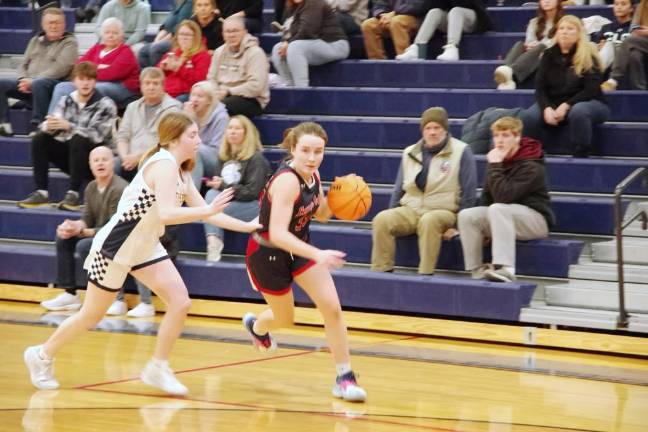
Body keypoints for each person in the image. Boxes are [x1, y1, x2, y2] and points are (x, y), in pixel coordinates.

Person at [24, 111, 261, 395]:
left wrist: (247, 226)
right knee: (91, 315)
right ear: (174, 138)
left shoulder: (182, 170)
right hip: (116, 246)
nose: (198, 139)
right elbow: (167, 212)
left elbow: (208, 215)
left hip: (145, 245)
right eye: (192, 135)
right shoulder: (162, 165)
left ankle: (158, 367)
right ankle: (41, 354)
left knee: (180, 302)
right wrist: (206, 210)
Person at [243, 121, 367, 402]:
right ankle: (257, 327)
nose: (312, 157)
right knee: (285, 319)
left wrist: (342, 193)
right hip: (268, 254)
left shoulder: (315, 174)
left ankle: (345, 378)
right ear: (293, 149)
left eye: (318, 151)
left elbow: (320, 214)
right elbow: (276, 233)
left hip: (298, 248)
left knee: (332, 309)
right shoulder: (287, 181)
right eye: (306, 151)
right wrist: (318, 254)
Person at [371, 107, 477, 275]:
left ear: (445, 129)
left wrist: (458, 226)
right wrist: (393, 210)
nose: (432, 132)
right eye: (428, 128)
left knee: (429, 220)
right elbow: (399, 188)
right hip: (411, 209)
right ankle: (381, 272)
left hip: (444, 211)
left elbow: (469, 193)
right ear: (423, 131)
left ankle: (425, 275)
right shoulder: (409, 152)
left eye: (437, 128)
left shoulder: (462, 151)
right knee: (382, 219)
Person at [457, 117, 555, 283]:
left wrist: (495, 166)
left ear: (517, 137)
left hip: (535, 221)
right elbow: (488, 196)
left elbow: (505, 196)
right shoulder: (498, 159)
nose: (500, 140)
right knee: (467, 215)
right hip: (504, 216)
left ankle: (506, 268)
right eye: (496, 136)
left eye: (505, 135)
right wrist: (486, 227)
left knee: (498, 208)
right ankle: (477, 269)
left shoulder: (532, 165)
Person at [17, 62, 117, 211]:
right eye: (81, 79)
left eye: (89, 79)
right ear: (74, 81)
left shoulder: (106, 104)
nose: (85, 83)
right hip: (73, 159)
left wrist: (68, 126)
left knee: (78, 139)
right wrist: (49, 125)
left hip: (97, 163)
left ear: (95, 82)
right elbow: (55, 124)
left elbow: (96, 135)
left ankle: (73, 195)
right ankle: (42, 193)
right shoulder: (67, 100)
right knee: (40, 138)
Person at [40, 146, 128, 312]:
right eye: (96, 160)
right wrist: (73, 227)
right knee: (63, 237)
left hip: (121, 237)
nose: (100, 163)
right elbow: (87, 219)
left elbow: (116, 227)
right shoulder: (91, 187)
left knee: (85, 245)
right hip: (99, 234)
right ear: (90, 165)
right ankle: (70, 294)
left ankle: (116, 297)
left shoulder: (120, 188)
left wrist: (85, 232)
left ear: (113, 163)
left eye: (104, 159)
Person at [520, 15, 609, 157]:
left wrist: (567, 105)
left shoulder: (588, 55)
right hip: (554, 103)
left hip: (590, 102)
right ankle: (532, 155)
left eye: (570, 28)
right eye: (561, 28)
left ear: (579, 34)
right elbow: (540, 88)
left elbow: (591, 90)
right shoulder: (548, 55)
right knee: (529, 117)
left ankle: (581, 154)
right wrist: (546, 107)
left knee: (579, 111)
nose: (564, 32)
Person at [0, 7, 78, 136]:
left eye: (57, 23)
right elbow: (23, 64)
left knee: (39, 83)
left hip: (52, 86)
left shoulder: (70, 43)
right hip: (28, 84)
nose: (54, 26)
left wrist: (33, 81)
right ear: (43, 25)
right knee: (1, 84)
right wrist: (22, 79)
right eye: (50, 23)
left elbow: (61, 68)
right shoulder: (35, 40)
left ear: (64, 24)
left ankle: (40, 126)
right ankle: (3, 124)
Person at [203, 115, 270, 261]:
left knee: (209, 210)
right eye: (230, 128)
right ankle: (213, 241)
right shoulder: (223, 157)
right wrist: (217, 185)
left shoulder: (256, 159)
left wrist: (223, 185)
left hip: (255, 207)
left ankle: (214, 243)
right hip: (232, 203)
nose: (232, 132)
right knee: (211, 194)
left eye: (237, 128)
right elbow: (219, 188)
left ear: (246, 133)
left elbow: (252, 193)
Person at [48, 18, 140, 113]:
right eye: (107, 32)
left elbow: (113, 74)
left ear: (122, 35)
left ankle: (82, 123)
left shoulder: (126, 51)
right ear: (102, 34)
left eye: (115, 33)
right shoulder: (97, 48)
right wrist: (100, 67)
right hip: (92, 82)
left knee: (91, 89)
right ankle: (52, 122)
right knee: (62, 87)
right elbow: (79, 67)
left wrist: (92, 68)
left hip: (122, 87)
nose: (111, 36)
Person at [116, 67, 182, 182]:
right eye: (147, 83)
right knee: (109, 164)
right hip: (129, 158)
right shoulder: (132, 107)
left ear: (163, 86)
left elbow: (167, 144)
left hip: (158, 159)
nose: (151, 87)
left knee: (144, 166)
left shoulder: (173, 109)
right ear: (141, 86)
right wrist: (125, 157)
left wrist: (138, 158)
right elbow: (123, 136)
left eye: (155, 83)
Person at [272, 0, 350, 87]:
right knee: (277, 48)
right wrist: (285, 42)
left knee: (295, 47)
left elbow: (308, 31)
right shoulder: (291, 6)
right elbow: (288, 32)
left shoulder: (314, 2)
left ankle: (301, 90)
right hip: (311, 43)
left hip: (334, 44)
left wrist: (288, 43)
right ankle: (289, 87)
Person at [493, 0, 564, 90]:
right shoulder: (534, 22)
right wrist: (531, 45)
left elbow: (556, 42)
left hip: (552, 53)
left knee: (541, 47)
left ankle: (508, 75)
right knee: (520, 44)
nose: (546, 1)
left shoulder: (563, 22)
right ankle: (507, 73)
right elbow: (529, 42)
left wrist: (539, 45)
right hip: (534, 53)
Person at [207, 16, 270, 118]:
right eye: (228, 32)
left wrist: (228, 91)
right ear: (223, 35)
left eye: (235, 31)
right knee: (198, 104)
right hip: (222, 96)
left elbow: (256, 87)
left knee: (220, 107)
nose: (231, 35)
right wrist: (215, 92)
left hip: (251, 99)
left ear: (245, 32)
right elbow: (211, 78)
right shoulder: (218, 52)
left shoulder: (256, 53)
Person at [396, 0, 492, 61]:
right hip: (453, 18)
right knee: (434, 12)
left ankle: (452, 48)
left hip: (476, 17)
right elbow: (434, 5)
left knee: (456, 10)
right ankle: (417, 49)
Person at [183, 80, 230, 188]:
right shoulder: (187, 112)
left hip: (216, 162)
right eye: (193, 95)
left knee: (195, 150)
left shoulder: (221, 117)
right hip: (192, 156)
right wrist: (187, 119)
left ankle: (191, 200)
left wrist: (192, 122)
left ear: (209, 100)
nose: (194, 99)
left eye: (200, 96)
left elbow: (218, 151)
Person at [157, 20, 211, 101]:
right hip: (167, 92)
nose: (184, 37)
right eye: (181, 34)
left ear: (195, 37)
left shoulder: (203, 55)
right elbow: (157, 73)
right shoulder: (173, 52)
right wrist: (162, 68)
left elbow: (200, 81)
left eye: (188, 35)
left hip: (187, 94)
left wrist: (179, 68)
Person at [601, 0, 648, 90]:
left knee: (629, 40)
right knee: (634, 54)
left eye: (623, 4)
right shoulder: (641, 6)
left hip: (642, 41)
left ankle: (613, 79)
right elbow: (633, 28)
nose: (619, 6)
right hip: (643, 43)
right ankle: (641, 92)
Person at [361, 0, 428, 59]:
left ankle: (405, 61)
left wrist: (394, 13)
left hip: (415, 17)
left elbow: (418, 5)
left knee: (396, 22)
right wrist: (382, 14)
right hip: (389, 17)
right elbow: (379, 3)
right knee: (368, 25)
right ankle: (378, 64)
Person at [138, 0, 193, 68]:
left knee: (156, 48)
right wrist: (157, 39)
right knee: (143, 51)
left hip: (177, 39)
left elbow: (179, 27)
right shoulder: (176, 4)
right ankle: (146, 75)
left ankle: (157, 75)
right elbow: (166, 25)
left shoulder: (189, 4)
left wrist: (160, 41)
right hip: (167, 37)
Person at [594, 0, 633, 72]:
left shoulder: (636, 29)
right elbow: (599, 48)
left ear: (631, 8)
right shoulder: (605, 27)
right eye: (616, 4)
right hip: (607, 66)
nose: (619, 7)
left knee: (610, 44)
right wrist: (600, 47)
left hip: (627, 64)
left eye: (623, 4)